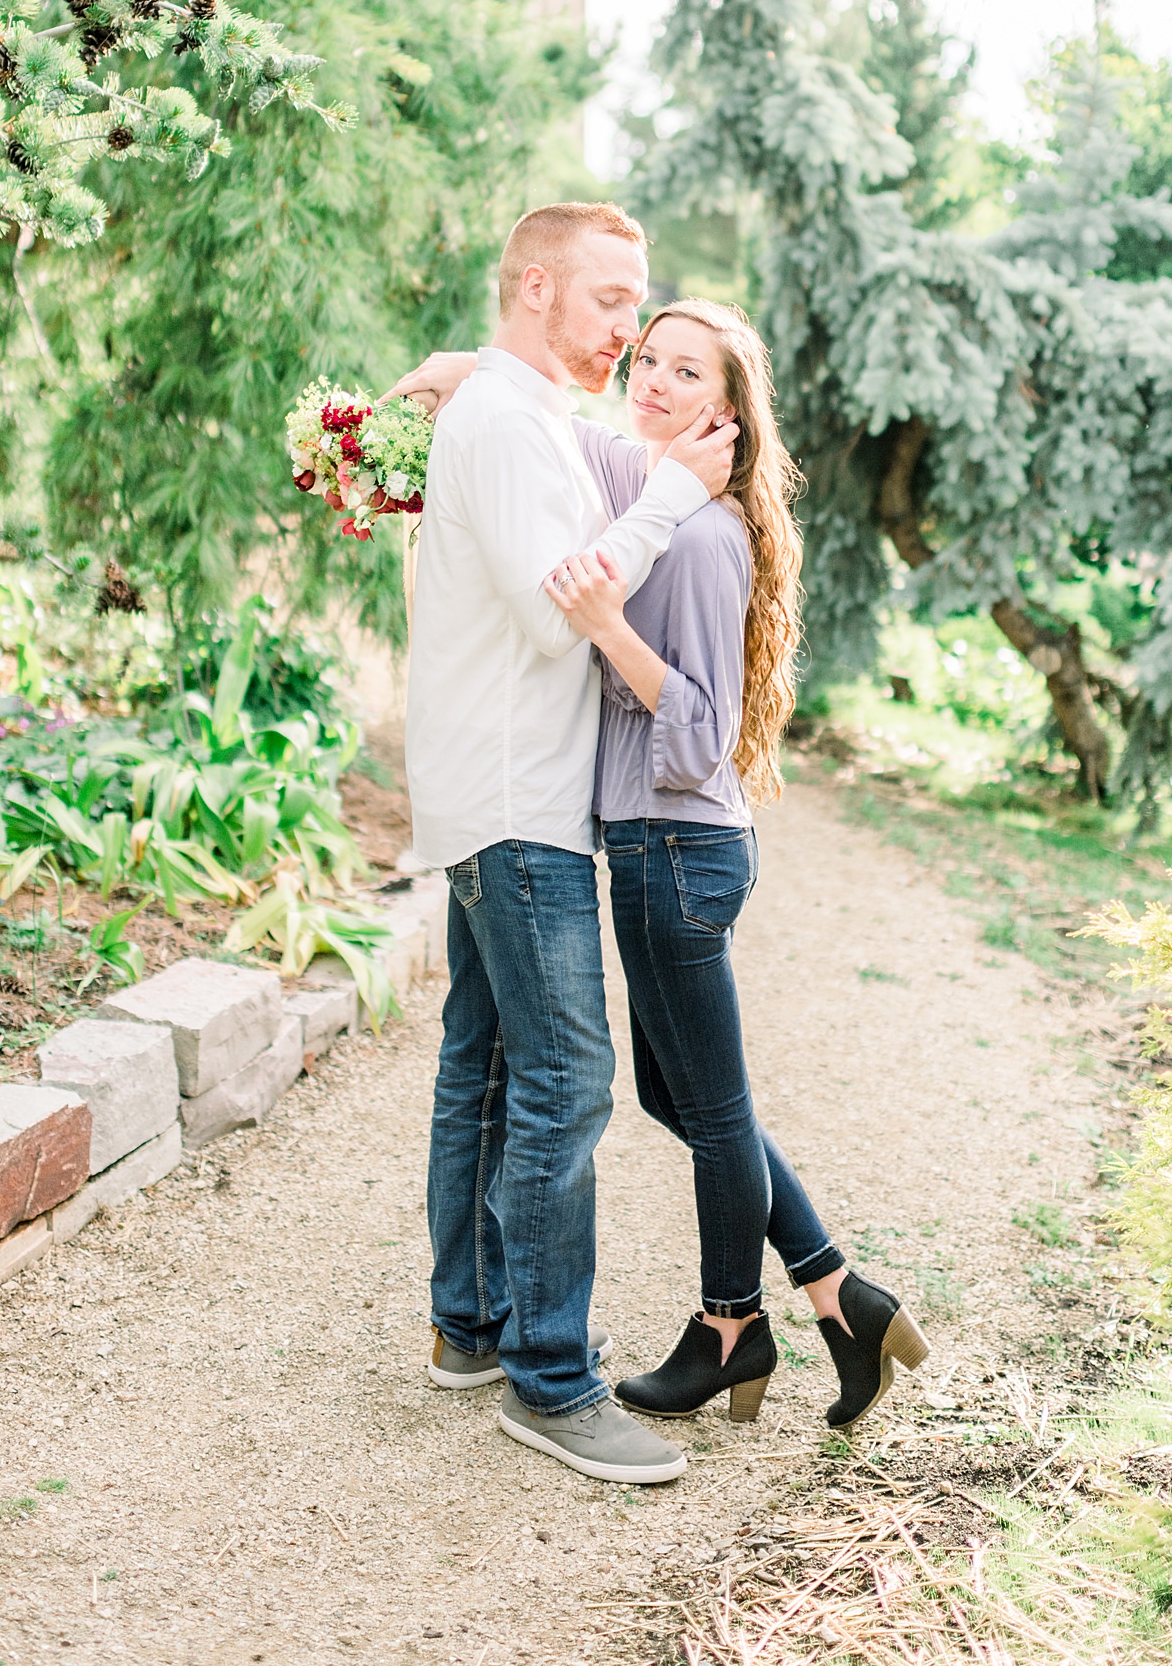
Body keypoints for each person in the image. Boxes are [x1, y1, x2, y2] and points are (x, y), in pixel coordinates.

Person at [406, 301, 928, 1432]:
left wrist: (606, 625)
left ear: (725, 415)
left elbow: (698, 734)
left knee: (712, 1105)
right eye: (647, 359)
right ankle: (840, 1294)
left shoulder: (696, 536)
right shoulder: (656, 480)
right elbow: (556, 434)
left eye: (684, 370)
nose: (649, 379)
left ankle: (734, 1328)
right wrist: (468, 367)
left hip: (675, 845)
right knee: (679, 1093)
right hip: (659, 847)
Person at [402, 203, 739, 1487]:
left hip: (505, 794)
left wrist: (468, 364)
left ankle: (470, 1328)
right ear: (536, 287)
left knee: (486, 1067)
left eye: (638, 303)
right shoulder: (503, 422)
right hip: (520, 802)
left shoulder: (517, 411)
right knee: (568, 1081)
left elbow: (564, 515)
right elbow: (565, 617)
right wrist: (673, 497)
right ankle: (551, 1380)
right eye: (609, 302)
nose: (626, 330)